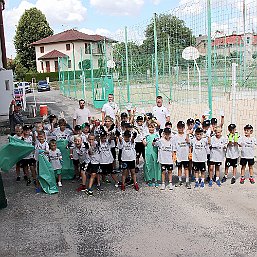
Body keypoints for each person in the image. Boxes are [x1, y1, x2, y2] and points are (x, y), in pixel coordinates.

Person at [173, 121, 191, 189]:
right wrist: (174, 155)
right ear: (177, 127)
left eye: (182, 127)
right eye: (179, 127)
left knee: (186, 168)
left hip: (185, 155)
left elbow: (190, 144)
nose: (180, 128)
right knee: (179, 168)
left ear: (184, 127)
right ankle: (179, 180)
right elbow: (174, 145)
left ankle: (187, 181)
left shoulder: (186, 135)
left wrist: (189, 153)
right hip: (179, 155)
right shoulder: (175, 136)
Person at [143, 121, 161, 187]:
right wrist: (144, 142)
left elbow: (159, 143)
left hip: (155, 151)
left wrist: (155, 143)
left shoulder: (157, 135)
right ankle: (149, 179)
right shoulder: (146, 135)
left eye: (152, 127)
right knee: (148, 164)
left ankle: (157, 179)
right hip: (148, 151)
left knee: (156, 164)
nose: (151, 129)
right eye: (150, 127)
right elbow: (144, 142)